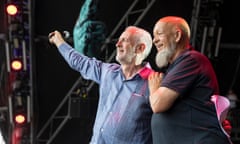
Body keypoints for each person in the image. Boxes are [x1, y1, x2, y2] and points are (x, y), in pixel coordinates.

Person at [48, 26, 153, 144]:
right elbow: (80, 62)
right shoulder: (108, 72)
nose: (117, 44)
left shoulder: (154, 82)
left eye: (124, 40)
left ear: (140, 48)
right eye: (119, 40)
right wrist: (59, 41)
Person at [148, 16, 232, 144]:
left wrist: (154, 89)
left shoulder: (191, 59)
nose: (154, 40)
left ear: (177, 36)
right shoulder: (177, 66)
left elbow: (158, 104)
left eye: (159, 34)